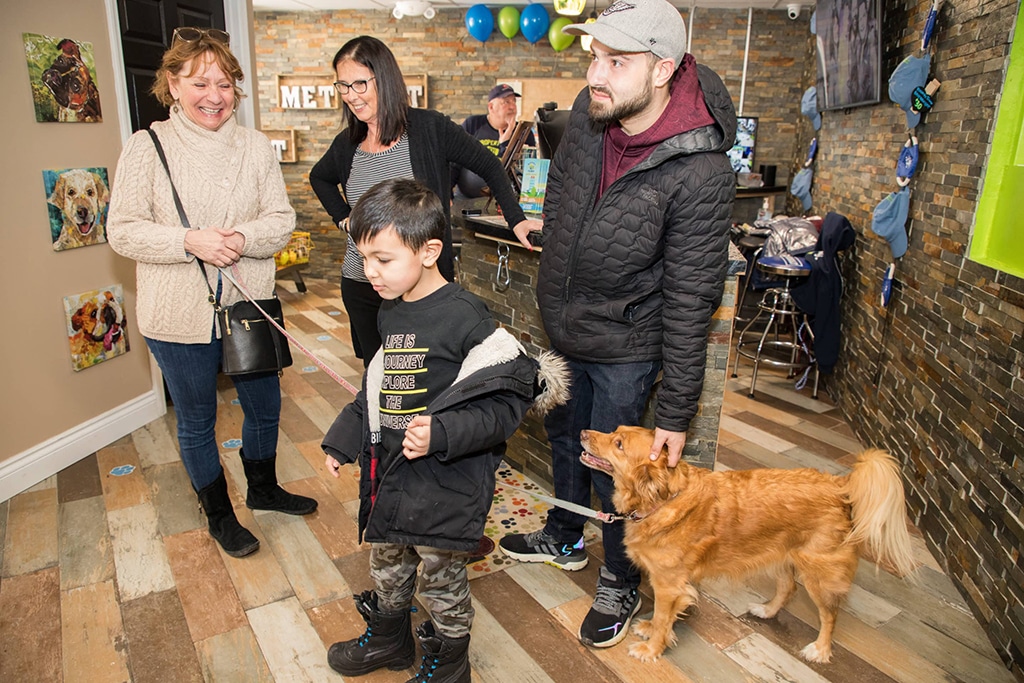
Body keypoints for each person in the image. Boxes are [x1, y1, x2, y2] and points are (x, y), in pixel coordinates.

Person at [498, 0, 737, 650]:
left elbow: (692, 298)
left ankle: (619, 582)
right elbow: (566, 200)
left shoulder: (703, 170)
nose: (595, 75)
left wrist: (676, 414)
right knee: (565, 434)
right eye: (594, 56)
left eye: (616, 61)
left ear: (662, 70)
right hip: (567, 324)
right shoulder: (591, 110)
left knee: (615, 471)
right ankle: (563, 534)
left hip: (629, 343)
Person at [320, 179, 566, 682]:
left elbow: (504, 402)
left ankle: (451, 662)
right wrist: (345, 438)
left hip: (441, 480)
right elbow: (379, 381)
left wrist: (443, 432)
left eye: (383, 259)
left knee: (441, 577)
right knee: (387, 559)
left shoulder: (466, 318)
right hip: (391, 470)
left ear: (430, 251)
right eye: (363, 257)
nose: (370, 272)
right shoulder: (390, 310)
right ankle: (390, 639)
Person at [107, 27, 317, 559]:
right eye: (200, 82)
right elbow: (122, 230)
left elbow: (281, 219)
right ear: (172, 84)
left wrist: (242, 238)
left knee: (265, 408)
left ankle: (264, 489)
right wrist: (189, 240)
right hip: (177, 312)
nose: (214, 96)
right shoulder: (145, 146)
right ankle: (220, 514)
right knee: (198, 419)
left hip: (248, 303)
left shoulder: (253, 147)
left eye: (224, 84)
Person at [310, 37, 540, 367]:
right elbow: (320, 177)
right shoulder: (347, 143)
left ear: (384, 78)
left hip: (421, 289)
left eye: (360, 83)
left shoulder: (428, 129)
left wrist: (516, 219)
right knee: (377, 379)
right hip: (363, 284)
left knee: (426, 378)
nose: (351, 95)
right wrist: (343, 217)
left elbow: (489, 165)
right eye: (343, 85)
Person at [452, 83, 535, 199]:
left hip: (505, 201)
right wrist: (447, 192)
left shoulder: (524, 132)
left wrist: (505, 145)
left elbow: (527, 172)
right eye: (506, 102)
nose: (512, 107)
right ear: (491, 107)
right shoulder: (473, 124)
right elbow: (455, 160)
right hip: (467, 199)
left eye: (514, 102)